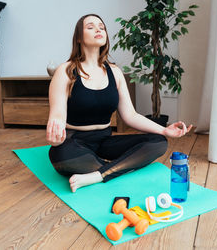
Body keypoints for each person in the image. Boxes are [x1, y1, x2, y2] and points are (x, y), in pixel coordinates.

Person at [46, 14, 193, 192]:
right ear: (78, 37)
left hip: (105, 141)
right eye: (91, 27)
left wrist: (164, 130)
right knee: (59, 153)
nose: (99, 29)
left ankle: (98, 174)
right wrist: (55, 135)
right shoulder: (66, 71)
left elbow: (130, 115)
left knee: (158, 142)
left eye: (101, 26)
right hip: (75, 143)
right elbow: (58, 115)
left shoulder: (114, 72)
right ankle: (119, 167)